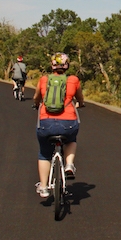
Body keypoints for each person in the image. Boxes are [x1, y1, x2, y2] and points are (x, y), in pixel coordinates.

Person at [32, 53, 84, 198]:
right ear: (67, 65)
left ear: (52, 65)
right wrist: (80, 103)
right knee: (71, 139)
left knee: (44, 153)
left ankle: (43, 187)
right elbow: (80, 98)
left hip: (46, 123)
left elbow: (37, 97)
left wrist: (36, 104)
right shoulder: (73, 80)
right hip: (68, 124)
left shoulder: (44, 80)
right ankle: (69, 164)